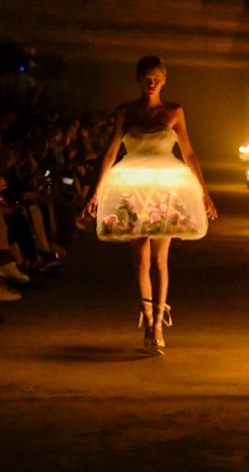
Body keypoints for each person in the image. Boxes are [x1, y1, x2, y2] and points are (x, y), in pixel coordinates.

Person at [87, 57, 216, 354]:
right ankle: (147, 322)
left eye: (156, 78)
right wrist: (96, 192)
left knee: (160, 260)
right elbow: (110, 153)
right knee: (140, 261)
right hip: (132, 187)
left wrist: (204, 192)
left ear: (164, 80)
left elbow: (189, 153)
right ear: (138, 79)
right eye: (146, 77)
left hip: (165, 188)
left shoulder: (174, 111)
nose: (151, 83)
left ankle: (159, 323)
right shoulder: (125, 111)